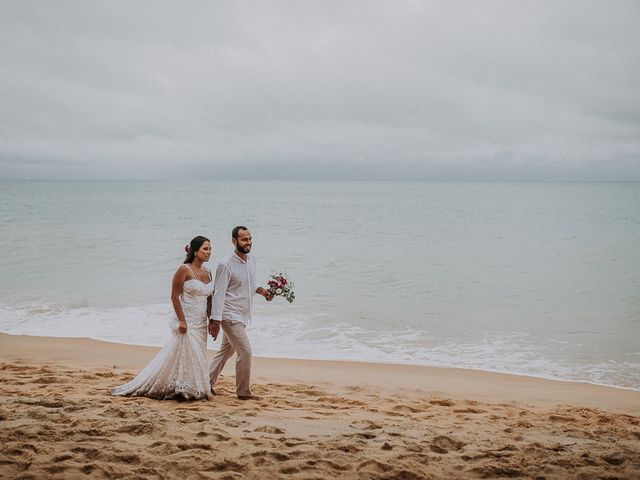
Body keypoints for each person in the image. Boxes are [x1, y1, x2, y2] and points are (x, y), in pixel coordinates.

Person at [112, 236, 214, 400]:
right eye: (205, 249)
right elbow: (174, 296)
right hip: (187, 320)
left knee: (198, 355)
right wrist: (181, 320)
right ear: (195, 251)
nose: (209, 252)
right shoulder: (184, 270)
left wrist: (211, 319)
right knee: (186, 353)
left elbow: (209, 298)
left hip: (201, 322)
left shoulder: (208, 272)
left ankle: (192, 386)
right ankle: (183, 390)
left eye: (210, 249)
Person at [208, 226, 272, 400]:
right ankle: (243, 393)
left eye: (250, 239)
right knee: (245, 353)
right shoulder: (226, 264)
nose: (248, 242)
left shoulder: (251, 260)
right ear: (234, 241)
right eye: (244, 239)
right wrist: (215, 321)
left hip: (243, 314)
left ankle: (205, 383)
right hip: (229, 315)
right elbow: (218, 293)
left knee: (226, 351)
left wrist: (263, 291)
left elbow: (250, 285)